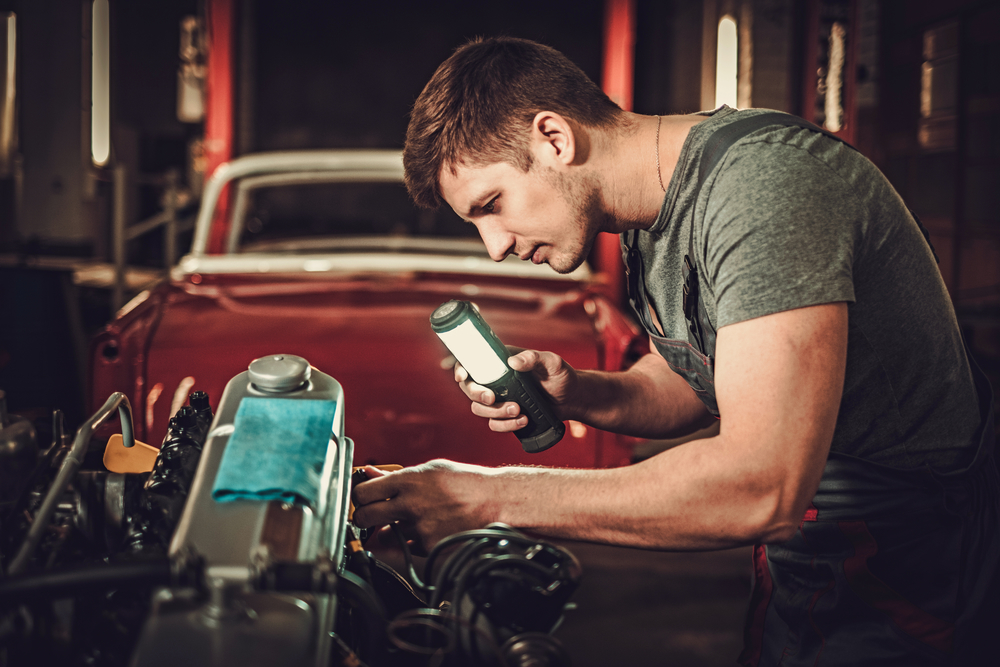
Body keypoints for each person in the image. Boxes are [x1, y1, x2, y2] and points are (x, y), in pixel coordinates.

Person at [352, 36, 999, 665]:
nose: (494, 244)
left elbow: (761, 484)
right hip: (812, 566)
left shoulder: (766, 188)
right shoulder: (646, 218)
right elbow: (697, 379)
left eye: (491, 205)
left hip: (920, 566)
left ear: (554, 137)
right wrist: (581, 391)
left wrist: (483, 496)